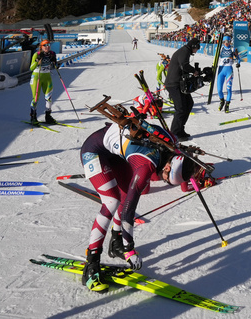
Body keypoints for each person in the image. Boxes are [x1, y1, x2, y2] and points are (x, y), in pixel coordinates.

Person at [78, 104, 208, 292]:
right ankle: (91, 263)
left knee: (123, 195)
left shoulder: (173, 147)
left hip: (115, 153)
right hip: (94, 150)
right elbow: (129, 212)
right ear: (167, 167)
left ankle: (115, 244)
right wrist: (130, 249)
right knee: (112, 200)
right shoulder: (146, 166)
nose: (163, 182)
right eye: (166, 179)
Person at [164, 38, 201, 140]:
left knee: (189, 103)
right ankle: (175, 134)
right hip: (173, 84)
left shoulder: (185, 51)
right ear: (194, 46)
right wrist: (194, 71)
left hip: (178, 83)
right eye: (197, 48)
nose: (197, 50)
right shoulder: (184, 51)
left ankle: (180, 129)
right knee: (180, 109)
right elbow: (184, 65)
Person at [29, 40, 60, 125]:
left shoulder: (52, 54)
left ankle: (48, 116)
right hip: (37, 77)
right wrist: (37, 60)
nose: (47, 46)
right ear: (41, 47)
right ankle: (33, 117)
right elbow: (31, 68)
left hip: (47, 77)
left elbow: (55, 66)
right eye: (45, 45)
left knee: (49, 98)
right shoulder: (37, 54)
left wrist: (56, 63)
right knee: (35, 98)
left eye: (48, 44)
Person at [215, 35, 237, 113]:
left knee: (229, 89)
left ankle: (227, 105)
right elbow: (216, 58)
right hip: (221, 70)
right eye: (224, 42)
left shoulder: (232, 49)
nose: (226, 43)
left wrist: (238, 62)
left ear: (230, 41)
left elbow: (238, 58)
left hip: (229, 71)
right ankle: (222, 101)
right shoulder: (220, 49)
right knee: (219, 90)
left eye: (227, 41)